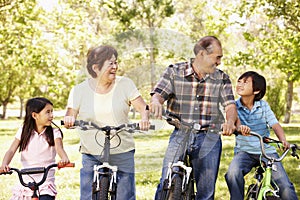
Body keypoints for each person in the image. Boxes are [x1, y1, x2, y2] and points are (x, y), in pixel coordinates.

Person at [150, 35, 238, 200]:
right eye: (217, 57)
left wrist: (230, 121)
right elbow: (158, 94)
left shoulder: (222, 78)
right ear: (202, 54)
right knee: (166, 182)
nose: (219, 62)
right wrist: (156, 102)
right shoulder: (174, 71)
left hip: (209, 136)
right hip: (181, 133)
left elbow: (230, 106)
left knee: (206, 193)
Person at [63, 45, 150, 200]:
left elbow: (143, 107)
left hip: (122, 150)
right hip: (91, 152)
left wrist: (144, 119)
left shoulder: (125, 84)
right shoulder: (79, 90)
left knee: (125, 196)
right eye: (110, 63)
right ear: (96, 68)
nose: (115, 67)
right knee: (87, 196)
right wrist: (70, 119)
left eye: (116, 62)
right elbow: (71, 112)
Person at [225, 71, 298, 200]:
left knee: (285, 187)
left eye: (245, 82)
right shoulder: (234, 106)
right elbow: (235, 121)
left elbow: (275, 125)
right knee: (232, 174)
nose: (240, 84)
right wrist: (239, 127)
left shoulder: (263, 106)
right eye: (239, 81)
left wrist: (283, 140)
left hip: (266, 152)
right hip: (244, 152)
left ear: (256, 90)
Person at [0, 97, 70, 200]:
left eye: (52, 112)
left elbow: (59, 148)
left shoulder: (54, 132)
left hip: (45, 182)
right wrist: (4, 164)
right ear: (34, 115)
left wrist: (64, 158)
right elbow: (11, 150)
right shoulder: (24, 131)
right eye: (48, 112)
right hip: (26, 180)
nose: (51, 115)